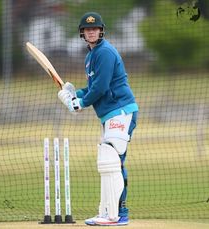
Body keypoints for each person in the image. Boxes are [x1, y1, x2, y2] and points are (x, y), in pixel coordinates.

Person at [58, 12, 138, 226]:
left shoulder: (105, 53)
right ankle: (112, 212)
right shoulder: (91, 57)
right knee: (111, 161)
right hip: (111, 114)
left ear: (101, 30)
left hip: (120, 110)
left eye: (95, 28)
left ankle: (114, 215)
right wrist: (76, 95)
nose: (91, 31)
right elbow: (94, 88)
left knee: (111, 160)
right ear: (82, 33)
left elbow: (101, 88)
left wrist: (79, 104)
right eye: (87, 29)